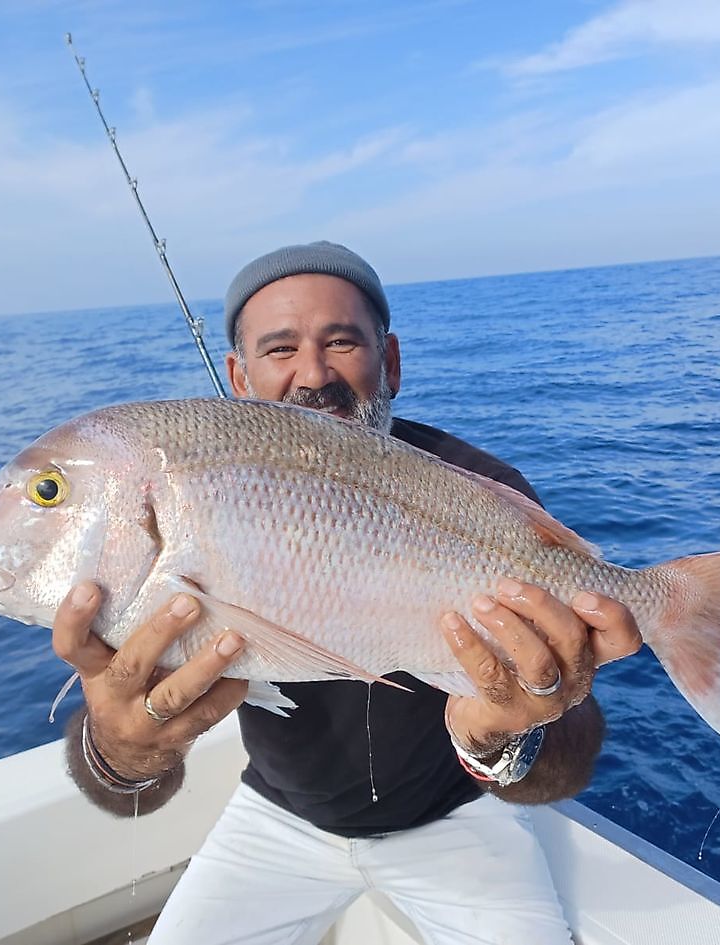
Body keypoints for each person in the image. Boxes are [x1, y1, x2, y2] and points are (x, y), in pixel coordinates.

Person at [53, 241, 643, 945]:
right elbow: (128, 785)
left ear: (389, 361)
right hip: (278, 818)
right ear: (237, 376)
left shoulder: (487, 496)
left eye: (341, 342)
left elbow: (567, 765)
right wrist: (122, 747)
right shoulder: (181, 515)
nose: (313, 375)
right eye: (280, 349)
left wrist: (505, 735)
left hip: (455, 816)